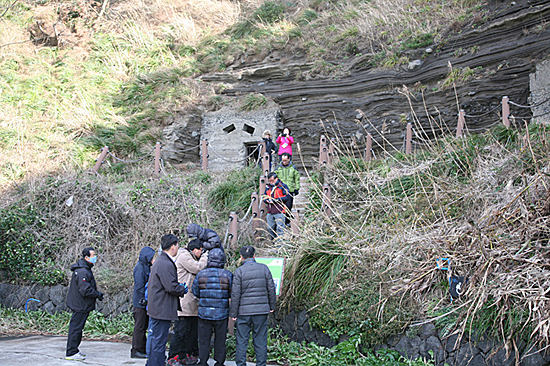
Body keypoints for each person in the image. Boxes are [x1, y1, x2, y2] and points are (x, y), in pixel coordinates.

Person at [230, 246, 276, 366]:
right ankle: (261, 364)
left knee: (242, 340)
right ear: (254, 255)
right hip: (261, 311)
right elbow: (271, 289)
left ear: (241, 257)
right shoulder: (264, 268)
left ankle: (241, 364)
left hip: (243, 312)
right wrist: (272, 306)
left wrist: (233, 313)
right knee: (260, 339)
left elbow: (235, 294)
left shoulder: (239, 271)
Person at [146, 234, 188, 366]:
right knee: (159, 342)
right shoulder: (165, 263)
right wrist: (182, 289)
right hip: (161, 308)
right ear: (173, 246)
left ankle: (151, 363)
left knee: (155, 340)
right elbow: (170, 286)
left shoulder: (160, 261)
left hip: (156, 307)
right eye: (177, 245)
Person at [168, 239, 208, 365]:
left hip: (190, 301)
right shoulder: (184, 255)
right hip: (184, 301)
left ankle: (185, 355)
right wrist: (206, 257)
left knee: (190, 331)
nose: (201, 253)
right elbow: (197, 268)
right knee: (181, 330)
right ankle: (173, 356)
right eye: (200, 250)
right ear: (194, 249)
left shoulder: (187, 256)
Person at [192, 248, 233, 366]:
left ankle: (203, 361)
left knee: (203, 340)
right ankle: (219, 362)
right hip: (221, 313)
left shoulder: (201, 274)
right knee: (220, 340)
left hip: (204, 312)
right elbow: (231, 292)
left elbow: (195, 291)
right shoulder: (227, 274)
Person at [65, 247, 104, 361]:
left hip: (81, 304)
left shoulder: (84, 269)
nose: (95, 257)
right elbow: (85, 290)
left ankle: (74, 350)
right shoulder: (82, 271)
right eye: (93, 256)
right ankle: (71, 352)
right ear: (86, 258)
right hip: (80, 305)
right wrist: (97, 294)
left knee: (77, 328)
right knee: (76, 329)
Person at [131, 246, 155, 359]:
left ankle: (142, 348)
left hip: (144, 302)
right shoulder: (140, 268)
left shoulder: (146, 267)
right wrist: (143, 299)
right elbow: (139, 285)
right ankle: (136, 349)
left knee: (143, 326)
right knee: (139, 327)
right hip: (140, 303)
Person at [274, 152, 301, 225]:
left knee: (288, 206)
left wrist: (297, 188)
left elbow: (297, 179)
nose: (284, 162)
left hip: (290, 190)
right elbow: (274, 178)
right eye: (283, 160)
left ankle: (287, 221)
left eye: (286, 160)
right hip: (280, 190)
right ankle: (281, 221)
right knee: (280, 206)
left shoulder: (293, 168)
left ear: (289, 159)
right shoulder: (278, 168)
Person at [264, 171, 291, 242]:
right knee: (270, 228)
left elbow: (287, 197)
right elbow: (264, 197)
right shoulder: (267, 187)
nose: (271, 182)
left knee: (280, 228)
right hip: (270, 211)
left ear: (276, 179)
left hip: (280, 211)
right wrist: (267, 200)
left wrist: (277, 200)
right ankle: (274, 240)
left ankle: (280, 244)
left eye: (272, 181)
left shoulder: (283, 186)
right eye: (270, 181)